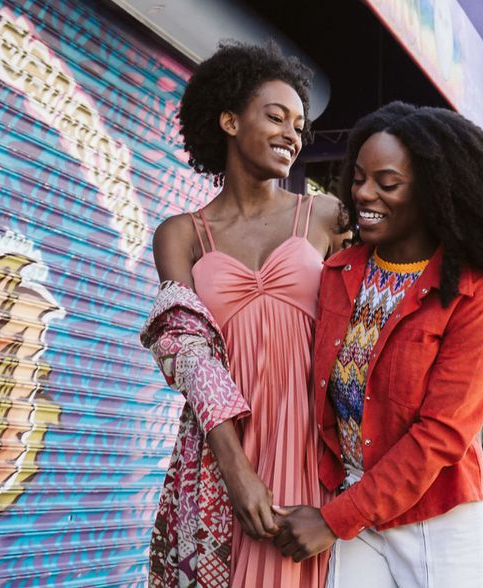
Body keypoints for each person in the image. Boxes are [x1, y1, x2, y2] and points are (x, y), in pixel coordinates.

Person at [273, 102, 483, 588]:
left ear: (432, 192)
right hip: (352, 503)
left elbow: (438, 437)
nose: (363, 193)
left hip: (437, 518)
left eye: (387, 182)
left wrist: (334, 520)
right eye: (358, 177)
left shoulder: (475, 298)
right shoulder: (338, 274)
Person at [140, 41, 345, 587]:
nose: (291, 135)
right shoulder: (181, 234)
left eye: (299, 126)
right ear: (229, 120)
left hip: (312, 445)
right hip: (222, 448)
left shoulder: (326, 216)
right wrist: (236, 470)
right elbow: (184, 349)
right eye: (275, 116)